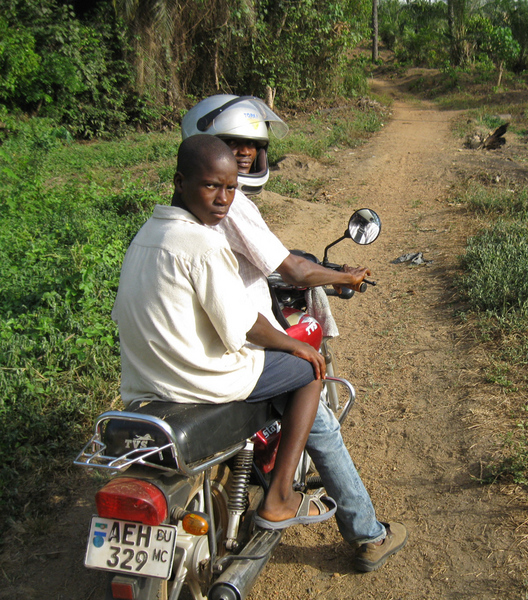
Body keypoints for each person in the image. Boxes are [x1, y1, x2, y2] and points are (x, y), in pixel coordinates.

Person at [181, 95, 407, 572]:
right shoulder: (234, 203)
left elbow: (261, 259)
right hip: (240, 342)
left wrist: (317, 266)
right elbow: (293, 270)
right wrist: (344, 277)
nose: (244, 154)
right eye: (232, 143)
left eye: (251, 144)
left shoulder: (182, 211)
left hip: (194, 341)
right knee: (313, 389)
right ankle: (362, 531)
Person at [112, 134, 337, 530]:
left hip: (145, 381)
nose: (223, 199)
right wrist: (294, 345)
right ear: (180, 182)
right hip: (199, 380)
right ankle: (281, 496)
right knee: (308, 371)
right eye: (211, 185)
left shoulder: (146, 235)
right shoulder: (202, 243)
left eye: (231, 187)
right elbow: (245, 324)